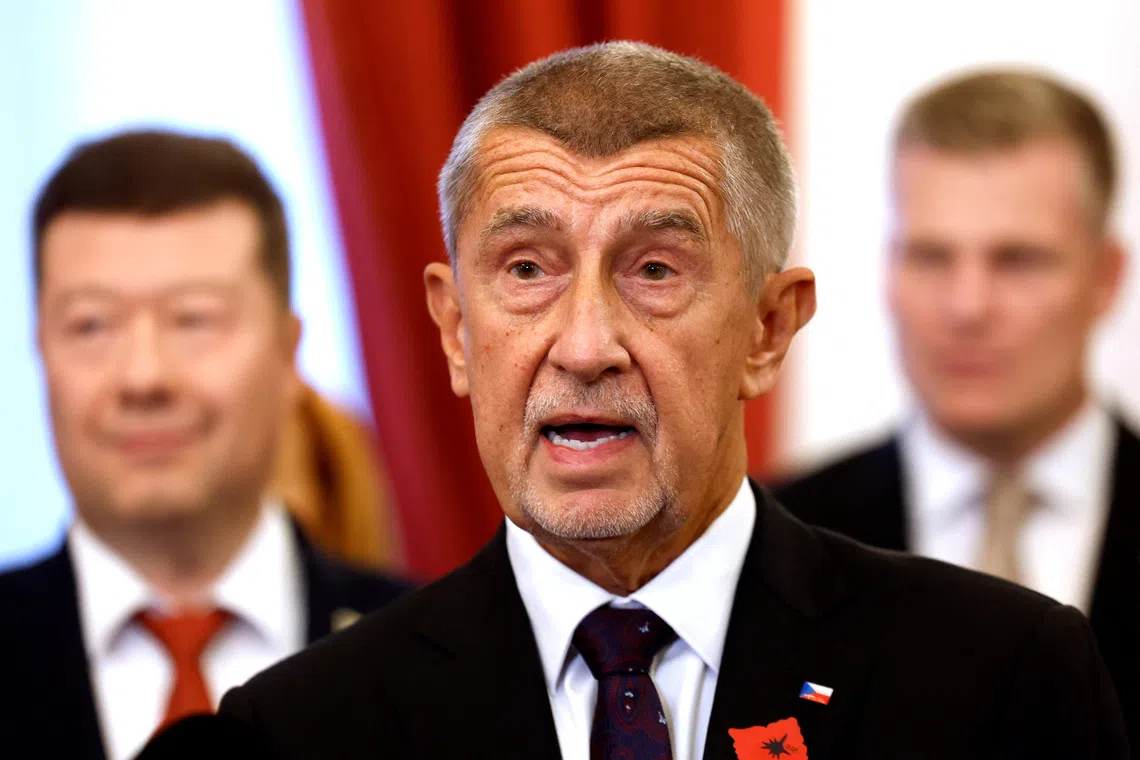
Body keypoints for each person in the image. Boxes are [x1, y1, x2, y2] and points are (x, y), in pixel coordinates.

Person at [183, 44, 1124, 759]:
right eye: (526, 268)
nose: (586, 346)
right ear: (455, 329)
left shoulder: (1004, 675)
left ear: (768, 327)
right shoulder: (297, 731)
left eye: (655, 269)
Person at [0, 130, 410, 760]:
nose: (143, 377)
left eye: (193, 318)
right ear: (40, 351)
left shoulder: (436, 657)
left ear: (286, 352)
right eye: (91, 325)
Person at [772, 69, 1138, 742]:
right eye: (932, 257)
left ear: (1106, 277)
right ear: (888, 270)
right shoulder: (775, 538)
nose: (966, 307)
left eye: (1018, 260)